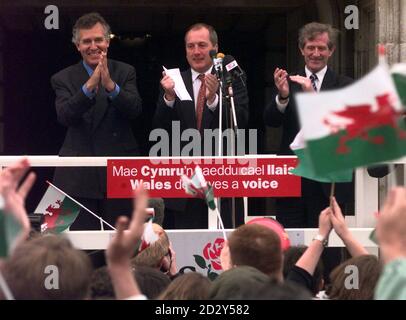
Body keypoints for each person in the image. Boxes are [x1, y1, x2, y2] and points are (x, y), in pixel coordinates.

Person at [50, 12, 142, 230]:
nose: (94, 46)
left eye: (98, 40)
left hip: (119, 172)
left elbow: (135, 110)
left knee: (122, 244)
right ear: (78, 46)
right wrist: (89, 87)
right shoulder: (62, 78)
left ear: (108, 41)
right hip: (78, 175)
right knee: (82, 248)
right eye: (87, 41)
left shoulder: (126, 71)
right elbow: (65, 115)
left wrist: (110, 86)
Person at [153, 23, 249, 229]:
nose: (196, 51)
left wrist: (214, 100)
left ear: (215, 48)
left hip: (223, 184)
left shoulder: (231, 78)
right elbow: (157, 129)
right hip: (183, 187)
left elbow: (241, 120)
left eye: (202, 45)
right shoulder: (174, 80)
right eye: (191, 46)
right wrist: (168, 97)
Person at [264, 22, 354, 228]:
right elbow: (270, 121)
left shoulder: (344, 84)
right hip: (293, 178)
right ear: (301, 50)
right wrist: (283, 96)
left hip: (328, 182)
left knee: (328, 250)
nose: (315, 53)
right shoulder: (288, 82)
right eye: (310, 48)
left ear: (331, 51)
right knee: (292, 247)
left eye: (321, 48)